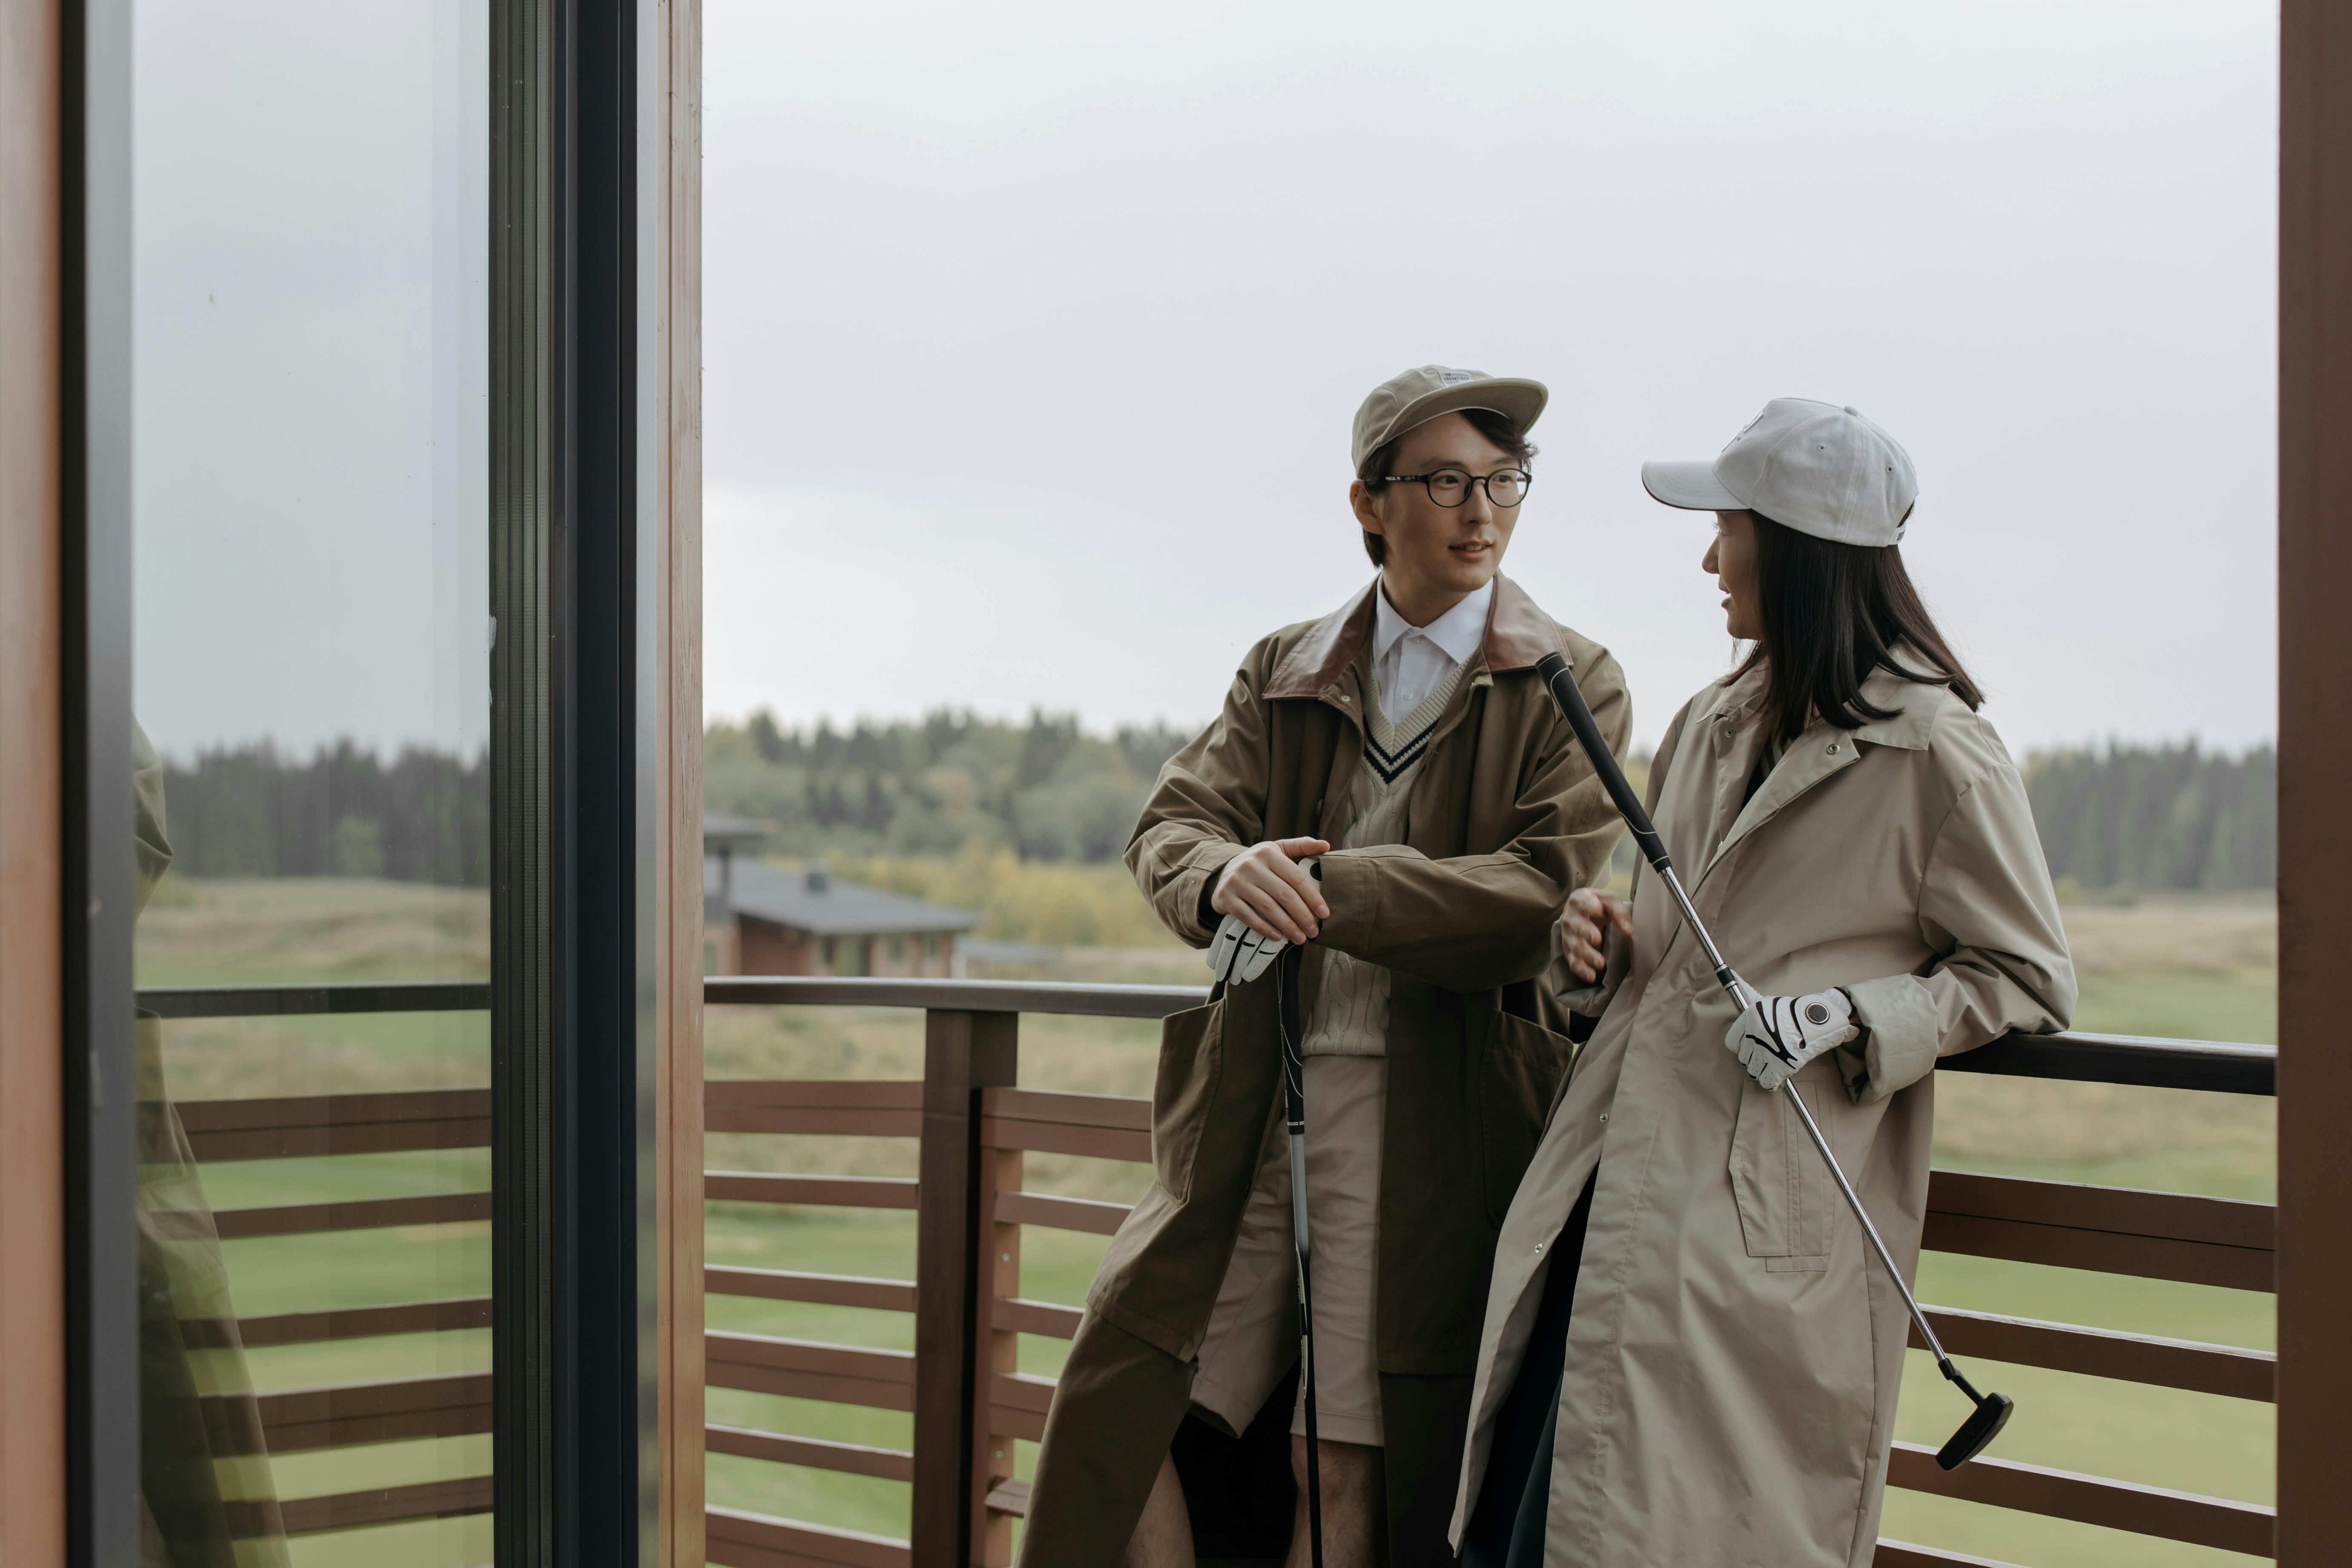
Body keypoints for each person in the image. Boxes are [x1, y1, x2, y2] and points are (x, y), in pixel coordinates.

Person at [1016, 366, 1635, 1568]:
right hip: (1244, 1100)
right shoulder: (1284, 665)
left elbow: (1537, 894)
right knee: (1120, 1413)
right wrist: (1220, 874)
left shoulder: (1574, 675)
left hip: (1430, 1120)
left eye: (1506, 481)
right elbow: (1170, 829)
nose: (1483, 510)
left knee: (1344, 1460)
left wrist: (1325, 884)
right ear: (1370, 502)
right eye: (1447, 481)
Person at [1448, 400, 2078, 1568]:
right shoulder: (1708, 723)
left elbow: (2027, 977)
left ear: (1790, 549)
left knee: (1667, 1531)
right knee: (1532, 1530)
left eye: (1725, 528)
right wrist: (1594, 945)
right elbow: (1662, 943)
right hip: (1610, 1186)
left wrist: (1853, 1016)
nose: (1706, 556)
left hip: (1749, 1228)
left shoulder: (1939, 751)